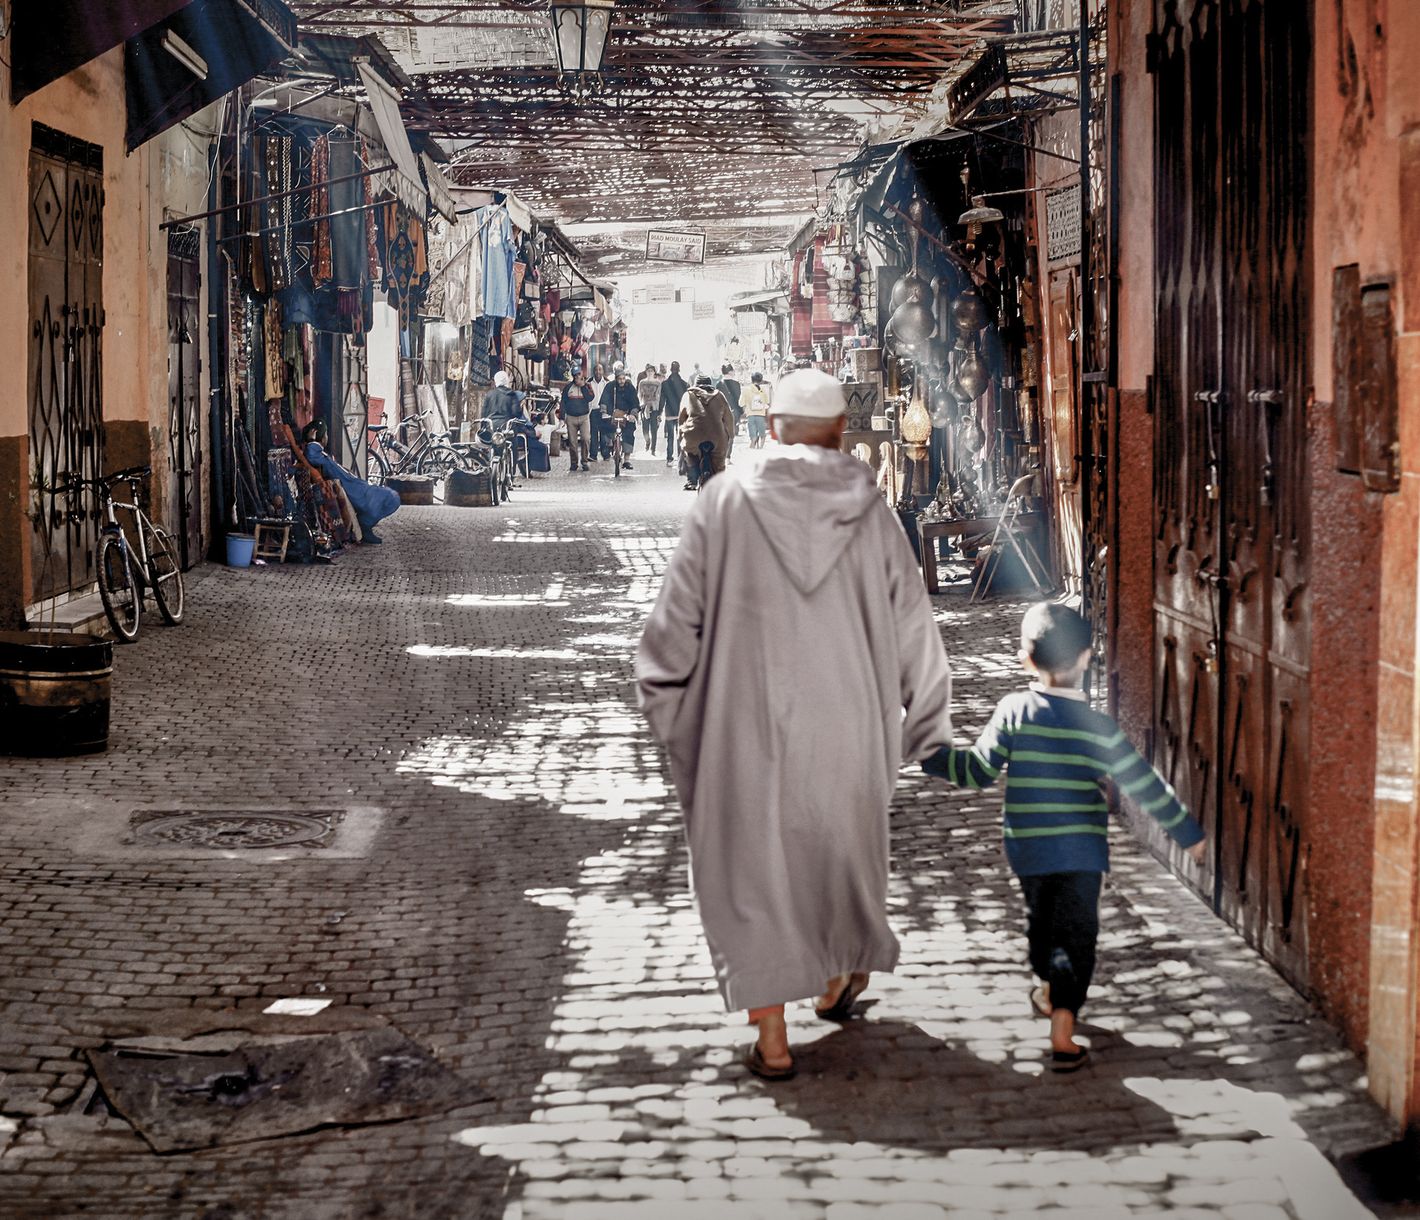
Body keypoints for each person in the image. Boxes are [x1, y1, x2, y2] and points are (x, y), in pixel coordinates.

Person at [636, 368, 953, 1081]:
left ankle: (773, 1035)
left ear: (771, 429)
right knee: (838, 857)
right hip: (849, 725)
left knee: (752, 872)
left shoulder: (722, 503)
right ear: (842, 435)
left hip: (742, 723)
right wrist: (926, 724)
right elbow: (915, 630)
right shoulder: (872, 513)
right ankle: (840, 974)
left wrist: (674, 720)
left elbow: (670, 632)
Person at [920, 602, 1206, 1074]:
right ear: (1086, 658)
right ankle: (1062, 1019)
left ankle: (1057, 1012)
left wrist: (933, 757)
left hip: (1029, 852)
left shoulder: (1014, 710)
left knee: (1042, 929)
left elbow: (978, 771)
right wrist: (1186, 833)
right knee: (1076, 936)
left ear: (1025, 660)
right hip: (1082, 854)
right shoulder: (1098, 727)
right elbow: (1142, 783)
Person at [299, 420, 399, 543]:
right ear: (320, 436)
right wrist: (311, 440)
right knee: (392, 497)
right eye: (325, 434)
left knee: (389, 496)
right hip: (354, 490)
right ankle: (365, 524)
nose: (327, 437)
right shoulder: (315, 451)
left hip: (357, 486)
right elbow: (311, 455)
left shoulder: (321, 453)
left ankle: (366, 523)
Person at [677, 373, 734, 490]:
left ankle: (691, 480)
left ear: (695, 384)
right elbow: (728, 417)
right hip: (716, 437)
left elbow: (682, 418)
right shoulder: (719, 395)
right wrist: (730, 435)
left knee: (690, 455)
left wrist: (680, 435)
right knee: (718, 462)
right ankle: (719, 483)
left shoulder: (688, 395)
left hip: (693, 435)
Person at [599, 361, 641, 468]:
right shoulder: (609, 386)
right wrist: (604, 412)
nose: (622, 381)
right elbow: (604, 399)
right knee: (605, 428)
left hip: (626, 415)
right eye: (619, 379)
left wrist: (633, 414)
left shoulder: (630, 387)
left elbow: (635, 402)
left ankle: (626, 459)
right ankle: (610, 445)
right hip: (612, 414)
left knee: (629, 433)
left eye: (623, 378)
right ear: (616, 378)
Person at [561, 367, 595, 472]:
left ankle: (584, 461)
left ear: (582, 375)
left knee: (585, 439)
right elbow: (563, 402)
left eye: (578, 375)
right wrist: (562, 417)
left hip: (584, 417)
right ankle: (574, 463)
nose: (577, 378)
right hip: (571, 417)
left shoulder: (587, 386)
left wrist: (583, 386)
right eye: (575, 376)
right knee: (572, 442)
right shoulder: (568, 387)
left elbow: (590, 398)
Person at [658, 361, 689, 467]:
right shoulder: (685, 384)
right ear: (679, 369)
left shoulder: (665, 384)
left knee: (670, 437)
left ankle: (670, 459)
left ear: (671, 370)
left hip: (669, 413)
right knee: (680, 437)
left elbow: (662, 401)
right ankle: (681, 458)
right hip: (681, 414)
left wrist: (659, 413)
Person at [638, 363, 664, 453]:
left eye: (651, 371)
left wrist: (659, 410)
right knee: (645, 429)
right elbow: (639, 394)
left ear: (654, 372)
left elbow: (659, 395)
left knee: (654, 429)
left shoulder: (658, 383)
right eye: (648, 371)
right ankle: (647, 441)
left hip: (654, 408)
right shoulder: (642, 382)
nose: (650, 372)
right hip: (644, 407)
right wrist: (641, 404)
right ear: (646, 372)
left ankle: (653, 448)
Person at [744, 372, 772, 449]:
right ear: (761, 380)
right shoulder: (763, 390)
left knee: (753, 437)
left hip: (750, 415)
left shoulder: (746, 390)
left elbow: (741, 403)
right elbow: (767, 402)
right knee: (762, 435)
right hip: (761, 415)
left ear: (751, 380)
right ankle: (760, 449)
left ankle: (752, 447)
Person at [719, 364, 743, 434]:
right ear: (730, 372)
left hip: (723, 412)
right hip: (735, 412)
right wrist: (741, 411)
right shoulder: (736, 384)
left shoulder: (719, 384)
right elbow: (739, 399)